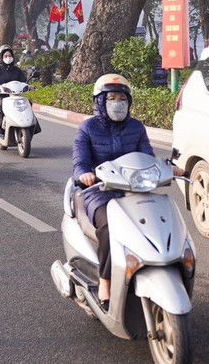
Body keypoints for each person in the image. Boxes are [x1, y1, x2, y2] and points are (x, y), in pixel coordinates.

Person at [71, 74, 183, 309]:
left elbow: (147, 158)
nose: (118, 103)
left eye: (122, 98)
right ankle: (105, 281)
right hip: (99, 190)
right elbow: (80, 161)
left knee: (159, 218)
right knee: (110, 225)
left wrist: (167, 168)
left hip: (135, 189)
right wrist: (85, 174)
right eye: (111, 98)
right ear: (100, 101)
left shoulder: (136, 127)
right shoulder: (88, 128)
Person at [0, 44, 28, 134]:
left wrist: (28, 85)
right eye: (5, 56)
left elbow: (23, 81)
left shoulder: (17, 70)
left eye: (10, 56)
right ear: (1, 58)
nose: (8, 58)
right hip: (0, 96)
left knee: (27, 103)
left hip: (15, 96)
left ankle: (30, 126)